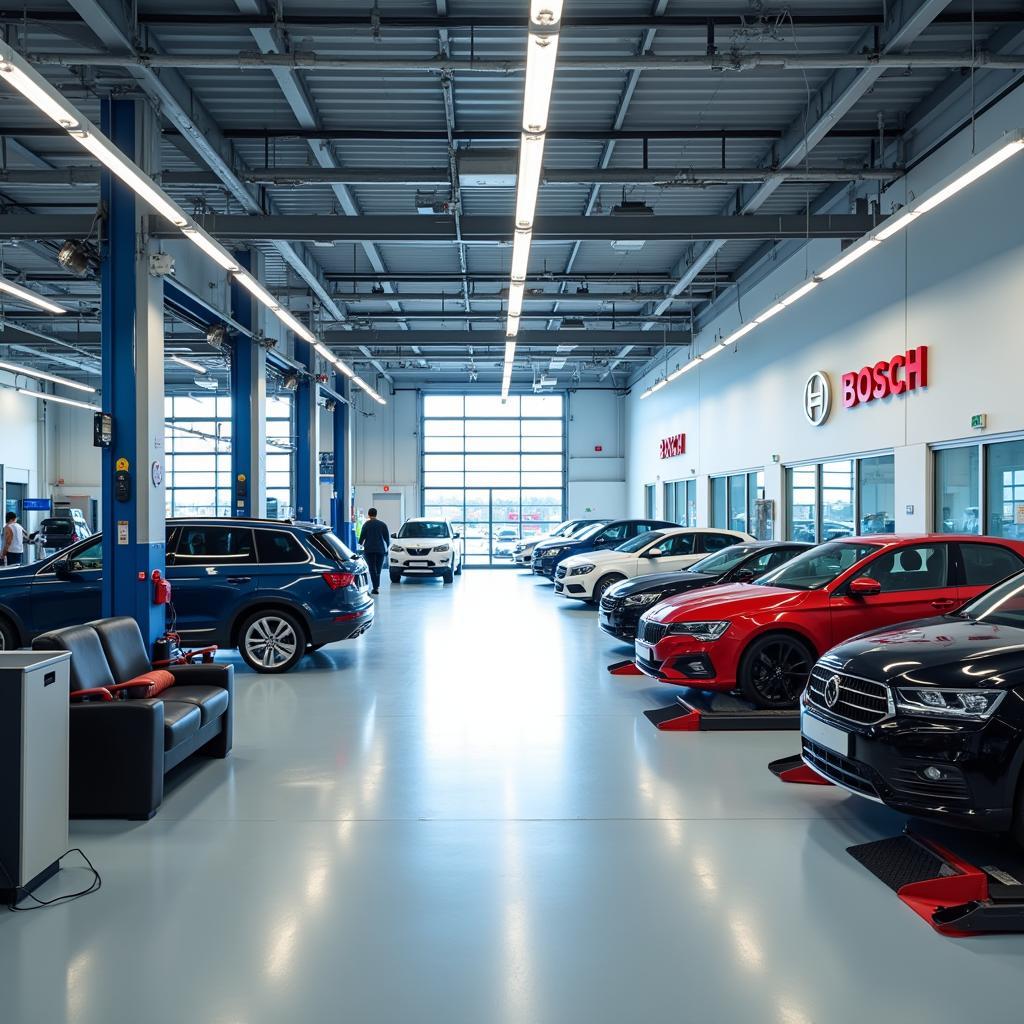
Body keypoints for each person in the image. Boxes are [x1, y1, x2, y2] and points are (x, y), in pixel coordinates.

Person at [359, 507, 390, 595]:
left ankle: (375, 587)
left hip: (369, 550)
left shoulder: (366, 524)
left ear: (368, 515)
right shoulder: (382, 524)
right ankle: (377, 587)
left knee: (372, 569)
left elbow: (361, 538)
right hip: (380, 550)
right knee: (378, 569)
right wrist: (387, 549)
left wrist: (360, 544)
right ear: (376, 514)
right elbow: (387, 539)